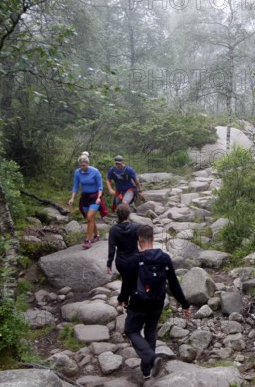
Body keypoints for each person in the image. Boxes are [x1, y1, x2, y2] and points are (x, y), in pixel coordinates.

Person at [118, 225, 191, 380]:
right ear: (152, 238)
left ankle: (151, 359)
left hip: (138, 303)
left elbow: (127, 284)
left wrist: (122, 299)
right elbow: (174, 284)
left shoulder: (134, 260)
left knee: (131, 331)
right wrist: (184, 304)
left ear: (139, 240)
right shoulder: (164, 258)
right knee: (150, 331)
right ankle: (147, 370)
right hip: (157, 302)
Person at [68, 152, 108, 249]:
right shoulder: (77, 172)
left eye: (84, 165)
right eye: (80, 165)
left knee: (90, 217)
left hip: (95, 196)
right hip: (85, 197)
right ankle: (96, 235)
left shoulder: (95, 171)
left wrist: (99, 197)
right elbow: (75, 186)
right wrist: (72, 198)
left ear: (88, 164)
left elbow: (100, 186)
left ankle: (87, 240)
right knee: (90, 218)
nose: (82, 167)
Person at [107, 204, 140, 275]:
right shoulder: (135, 227)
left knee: (126, 281)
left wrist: (109, 264)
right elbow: (141, 241)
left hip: (121, 262)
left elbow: (111, 249)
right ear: (128, 214)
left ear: (117, 215)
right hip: (135, 260)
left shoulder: (113, 230)